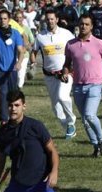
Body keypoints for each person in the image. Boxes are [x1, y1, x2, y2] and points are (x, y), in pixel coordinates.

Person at [63, 15, 102, 157]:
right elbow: (67, 63)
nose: (83, 27)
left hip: (95, 85)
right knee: (85, 120)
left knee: (90, 115)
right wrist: (65, 72)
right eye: (81, 24)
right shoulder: (70, 44)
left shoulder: (99, 43)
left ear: (92, 26)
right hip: (78, 86)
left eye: (87, 24)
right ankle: (96, 147)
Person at [31, 9, 77, 138]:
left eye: (52, 19)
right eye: (48, 19)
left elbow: (75, 50)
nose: (50, 21)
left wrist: (71, 67)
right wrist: (33, 64)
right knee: (56, 108)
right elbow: (33, 52)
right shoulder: (40, 36)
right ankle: (68, 127)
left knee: (63, 97)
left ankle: (71, 120)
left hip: (65, 72)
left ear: (57, 20)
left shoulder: (66, 34)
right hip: (49, 75)